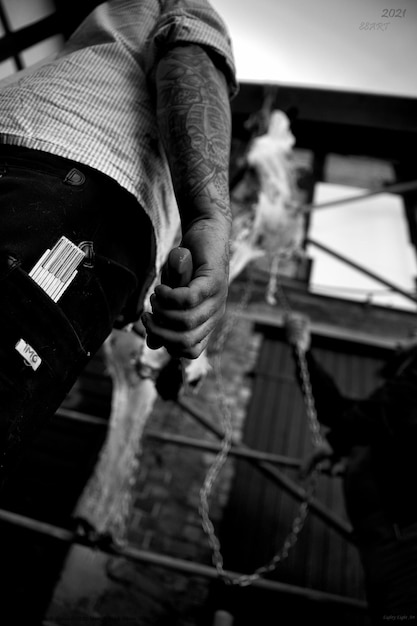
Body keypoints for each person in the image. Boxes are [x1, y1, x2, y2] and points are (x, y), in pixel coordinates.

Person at [0, 0, 238, 490]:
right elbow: (190, 58)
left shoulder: (92, 38)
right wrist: (211, 216)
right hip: (70, 188)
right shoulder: (176, 3)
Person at [285, 313, 417, 622]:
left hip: (408, 544)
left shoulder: (399, 403)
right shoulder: (387, 416)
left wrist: (337, 443)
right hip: (382, 544)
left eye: (411, 335)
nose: (398, 342)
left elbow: (374, 414)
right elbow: (339, 411)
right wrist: (301, 351)